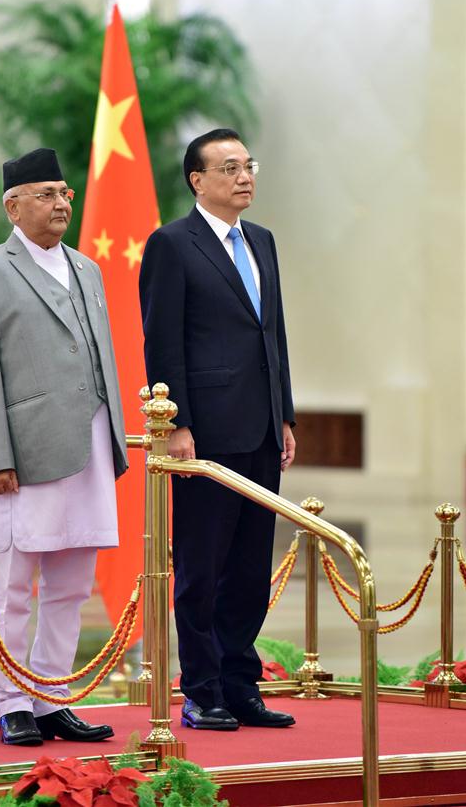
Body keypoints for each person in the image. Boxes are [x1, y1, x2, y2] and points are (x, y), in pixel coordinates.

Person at [0, 148, 128, 746]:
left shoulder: (87, 268)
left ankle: (52, 698)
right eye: (47, 194)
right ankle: (12, 703)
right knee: (14, 584)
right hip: (23, 456)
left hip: (92, 446)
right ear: (13, 204)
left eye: (66, 194)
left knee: (73, 584)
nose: (61, 204)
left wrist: (117, 443)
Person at [139, 129, 296, 732]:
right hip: (203, 436)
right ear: (197, 180)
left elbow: (273, 335)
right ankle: (202, 691)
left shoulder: (263, 241)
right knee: (203, 568)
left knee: (252, 566)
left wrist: (284, 412)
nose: (244, 176)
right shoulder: (172, 245)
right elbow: (163, 341)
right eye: (228, 168)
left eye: (247, 165)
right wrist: (176, 423)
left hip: (259, 427)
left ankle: (241, 684)